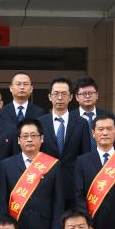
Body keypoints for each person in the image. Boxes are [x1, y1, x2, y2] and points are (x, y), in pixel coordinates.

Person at [0, 118, 65, 229]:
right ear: (18, 140)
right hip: (16, 228)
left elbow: (58, 200)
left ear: (42, 138)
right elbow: (2, 201)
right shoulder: (6, 165)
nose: (29, 139)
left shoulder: (54, 164)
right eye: (25, 136)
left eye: (33, 135)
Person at [37, 76, 90, 207]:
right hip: (46, 182)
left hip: (73, 184)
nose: (60, 98)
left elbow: (85, 155)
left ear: (71, 97)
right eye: (56, 94)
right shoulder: (40, 123)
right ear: (49, 96)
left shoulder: (81, 123)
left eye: (64, 94)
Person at [73, 76, 112, 143]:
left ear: (97, 95)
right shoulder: (70, 117)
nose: (87, 96)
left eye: (90, 93)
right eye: (84, 94)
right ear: (77, 97)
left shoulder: (108, 115)